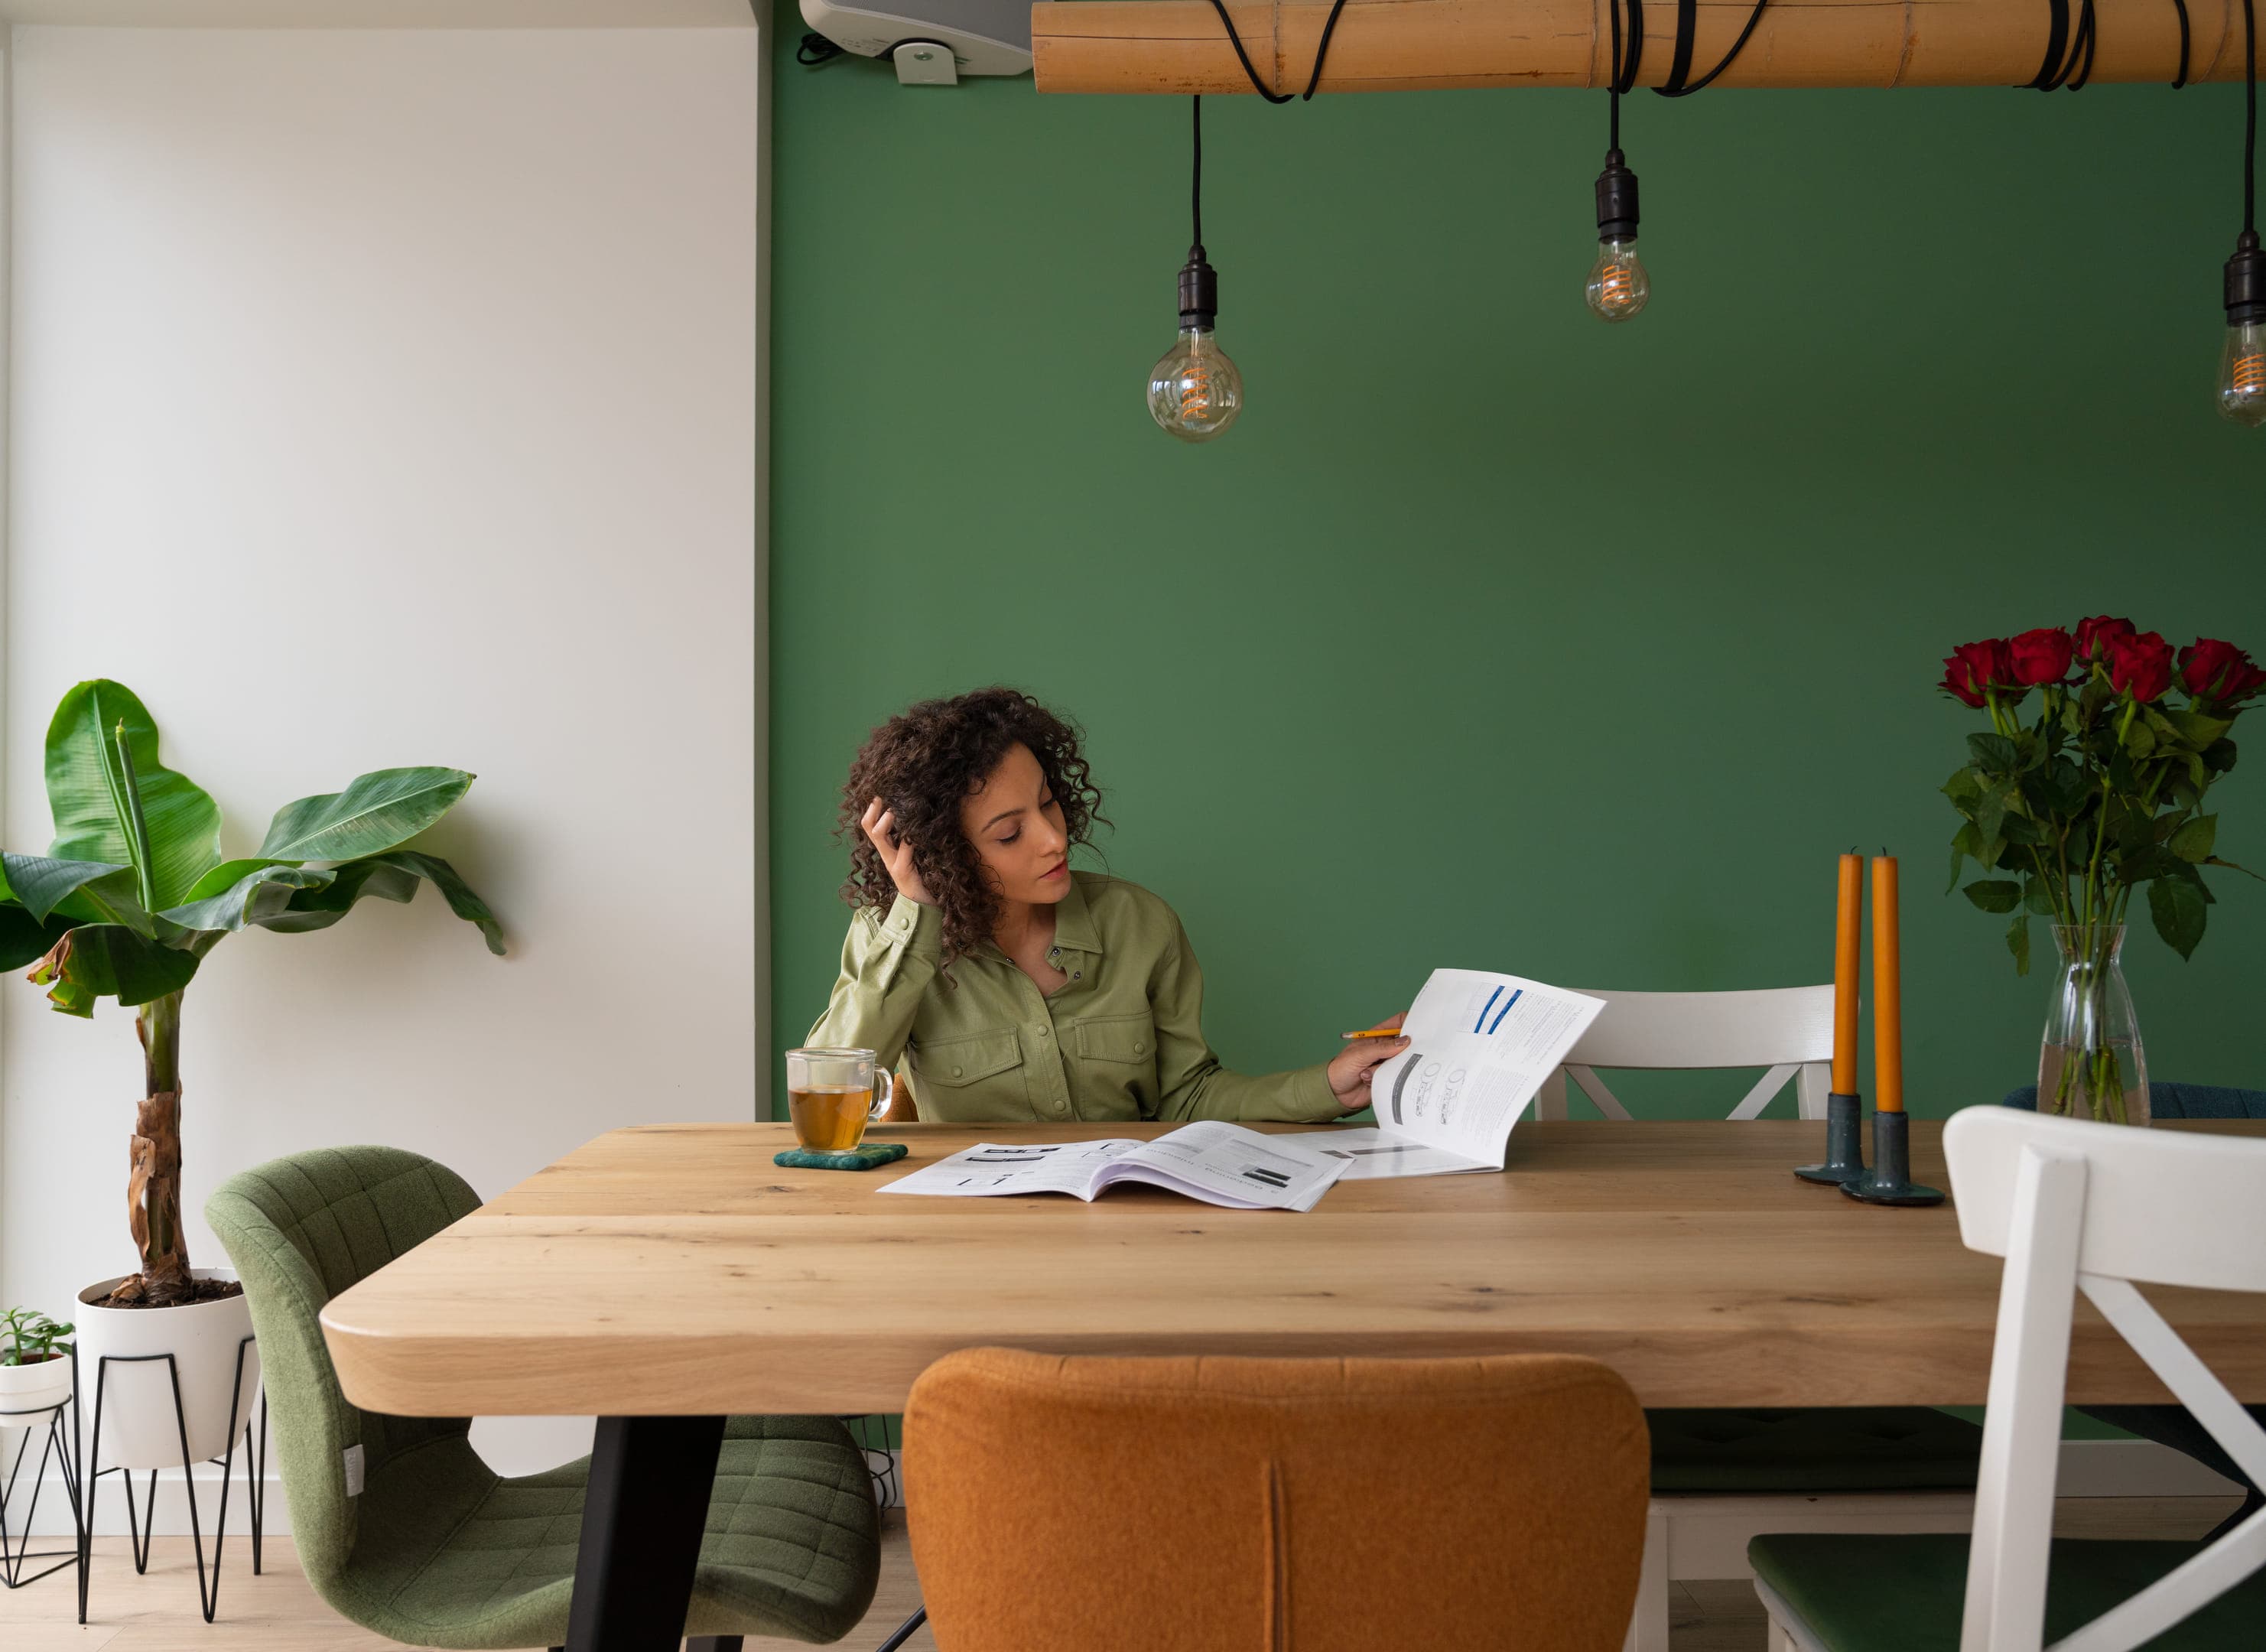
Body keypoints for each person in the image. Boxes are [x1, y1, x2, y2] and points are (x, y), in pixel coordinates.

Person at [808, 687, 1408, 1124]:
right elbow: (830, 1087)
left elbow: (1188, 1097)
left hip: (1128, 1228)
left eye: (1048, 803)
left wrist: (1330, 1084)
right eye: (1009, 834)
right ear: (945, 853)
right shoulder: (893, 938)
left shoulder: (1138, 924)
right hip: (977, 1239)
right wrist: (916, 911)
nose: (1052, 837)